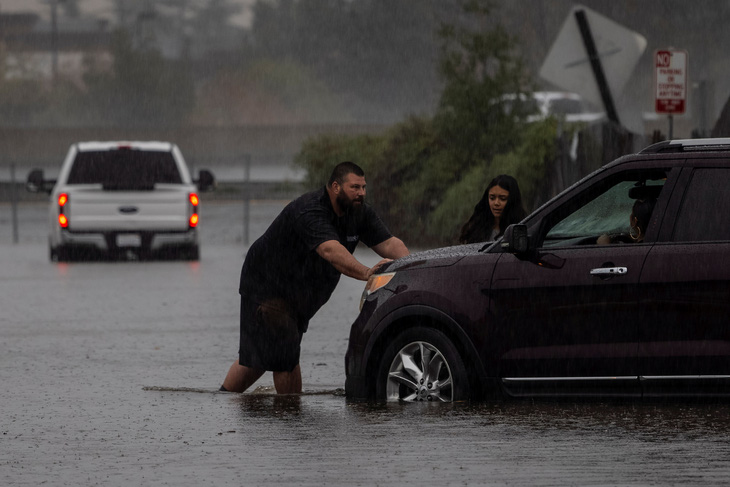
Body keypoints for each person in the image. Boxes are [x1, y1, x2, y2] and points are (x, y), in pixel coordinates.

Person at [220, 161, 409, 394]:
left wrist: (416, 267)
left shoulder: (360, 213)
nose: (361, 193)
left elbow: (390, 243)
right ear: (336, 186)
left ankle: (224, 400)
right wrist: (367, 273)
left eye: (363, 187)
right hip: (267, 285)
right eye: (355, 187)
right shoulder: (310, 210)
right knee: (286, 352)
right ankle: (292, 417)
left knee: (259, 359)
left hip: (299, 294)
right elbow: (330, 250)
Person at [459, 174, 527, 244]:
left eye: (502, 199)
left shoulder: (521, 230)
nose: (496, 203)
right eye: (492, 198)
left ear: (512, 200)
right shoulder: (478, 228)